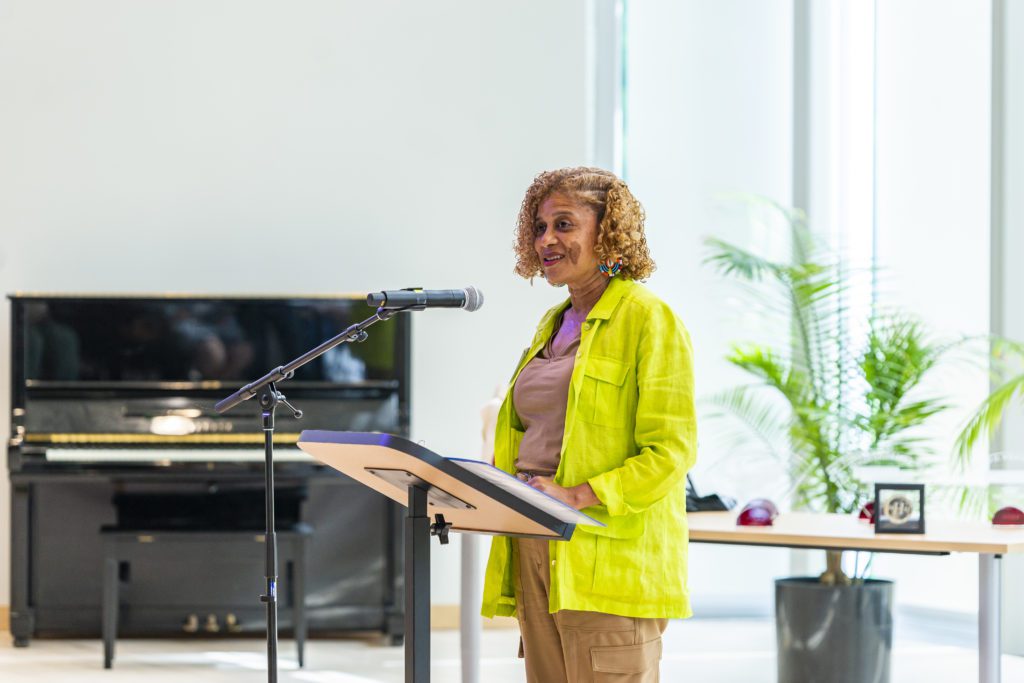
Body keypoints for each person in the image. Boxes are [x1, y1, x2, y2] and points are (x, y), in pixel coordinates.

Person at [481, 167, 698, 682]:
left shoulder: (648, 318)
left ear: (608, 232)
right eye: (539, 227)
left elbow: (671, 451)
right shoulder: (552, 323)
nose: (546, 240)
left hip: (607, 556)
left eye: (564, 224)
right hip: (535, 539)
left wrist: (576, 495)